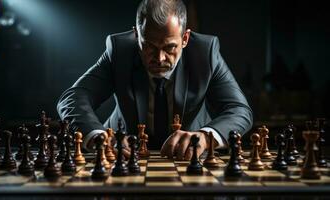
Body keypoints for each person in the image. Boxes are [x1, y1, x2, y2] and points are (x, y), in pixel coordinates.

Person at [57, 0, 253, 160]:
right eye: (149, 46)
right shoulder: (119, 51)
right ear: (136, 36)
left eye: (170, 48)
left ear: (185, 39)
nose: (159, 59)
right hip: (121, 157)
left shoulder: (205, 53)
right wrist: (99, 137)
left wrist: (205, 137)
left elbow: (240, 111)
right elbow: (72, 99)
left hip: (189, 158)